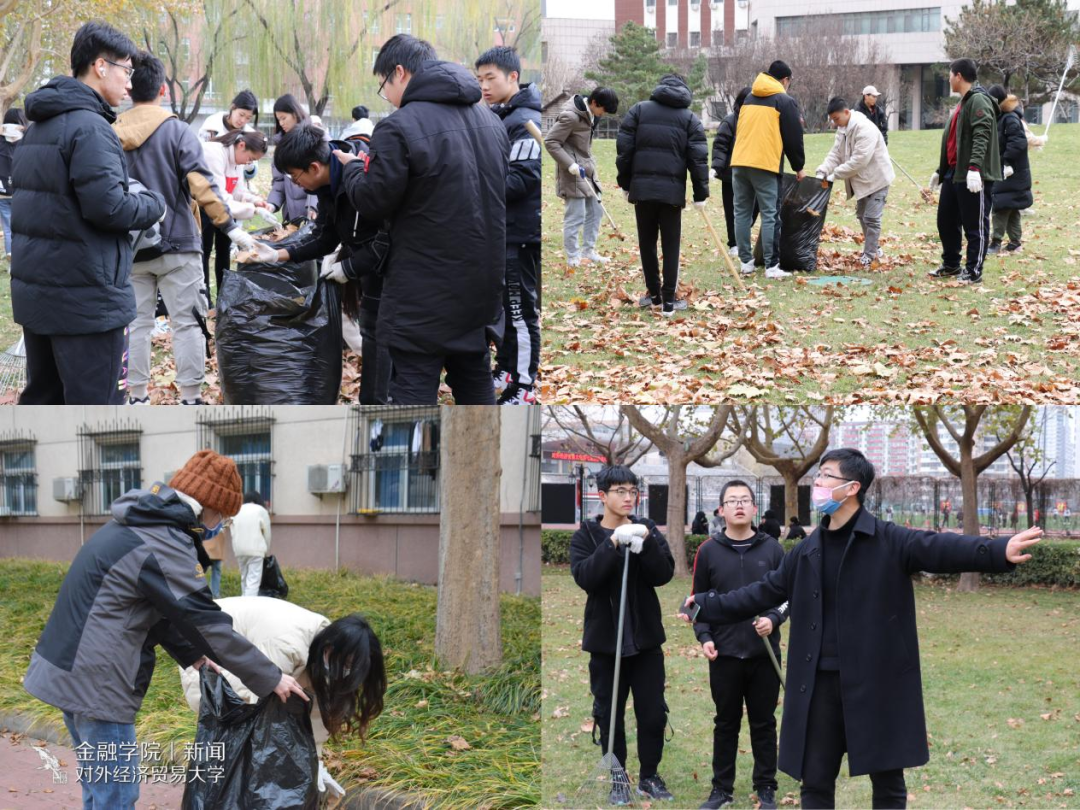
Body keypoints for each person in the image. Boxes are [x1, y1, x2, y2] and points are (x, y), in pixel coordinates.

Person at [681, 448, 1042, 809]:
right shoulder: (806, 551)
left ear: (852, 487)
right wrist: (703, 606)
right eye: (818, 475)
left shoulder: (889, 540)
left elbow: (940, 548)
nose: (818, 483)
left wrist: (998, 550)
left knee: (888, 785)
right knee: (815, 784)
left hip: (876, 683)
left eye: (826, 476)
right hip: (819, 685)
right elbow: (759, 593)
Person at [23, 449, 308, 810]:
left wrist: (194, 656)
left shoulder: (141, 522)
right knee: (116, 794)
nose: (221, 525)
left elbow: (154, 607)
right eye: (223, 517)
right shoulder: (163, 539)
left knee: (100, 786)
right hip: (97, 683)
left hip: (70, 670)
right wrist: (271, 677)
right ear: (208, 506)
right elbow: (206, 621)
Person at [336, 34, 508, 405]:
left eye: (384, 86)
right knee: (475, 381)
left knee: (412, 393)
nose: (387, 96)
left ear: (399, 72)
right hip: (481, 285)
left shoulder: (399, 126)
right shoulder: (490, 121)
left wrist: (352, 170)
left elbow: (373, 200)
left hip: (423, 292)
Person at [11, 21, 165, 405]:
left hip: (41, 296)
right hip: (87, 302)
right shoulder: (91, 128)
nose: (130, 84)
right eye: (126, 71)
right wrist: (154, 204)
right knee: (96, 412)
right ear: (100, 66)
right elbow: (109, 208)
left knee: (45, 402)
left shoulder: (38, 128)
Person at [115, 52, 255, 406]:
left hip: (130, 248)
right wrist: (230, 227)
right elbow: (202, 186)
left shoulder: (110, 133)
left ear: (129, 89)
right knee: (188, 322)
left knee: (137, 325)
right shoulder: (178, 132)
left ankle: (137, 398)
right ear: (163, 89)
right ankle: (191, 399)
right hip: (179, 244)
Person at [180, 598, 387, 801]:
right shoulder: (287, 646)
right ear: (329, 649)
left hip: (251, 647)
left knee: (291, 701)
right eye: (347, 665)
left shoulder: (327, 645)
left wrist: (315, 764)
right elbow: (256, 715)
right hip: (204, 644)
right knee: (237, 718)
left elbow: (314, 715)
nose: (347, 673)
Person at [570, 465, 677, 804]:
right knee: (609, 715)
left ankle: (649, 776)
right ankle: (618, 780)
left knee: (653, 713)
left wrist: (646, 542)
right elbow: (586, 578)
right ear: (602, 496)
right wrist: (613, 543)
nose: (629, 497)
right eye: (620, 491)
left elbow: (664, 574)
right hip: (606, 645)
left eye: (633, 491)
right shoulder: (586, 536)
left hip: (645, 642)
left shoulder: (647, 529)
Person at [268, 122, 392, 403]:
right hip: (368, 267)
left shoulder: (363, 176)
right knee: (371, 332)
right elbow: (325, 238)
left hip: (391, 272)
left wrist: (349, 267)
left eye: (295, 176)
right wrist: (277, 254)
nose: (295, 183)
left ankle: (379, 404)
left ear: (313, 167)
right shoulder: (327, 186)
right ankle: (373, 401)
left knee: (380, 336)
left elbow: (387, 238)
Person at [693, 482, 787, 810]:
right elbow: (697, 603)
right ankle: (721, 790)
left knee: (764, 723)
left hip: (764, 654)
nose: (739, 505)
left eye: (745, 500)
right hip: (725, 654)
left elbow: (788, 596)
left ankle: (766, 786)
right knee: (726, 723)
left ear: (754, 508)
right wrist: (705, 637)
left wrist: (774, 618)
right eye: (732, 501)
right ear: (721, 510)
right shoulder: (708, 551)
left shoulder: (773, 549)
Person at [476, 46, 541, 406]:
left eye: (490, 78)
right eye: (480, 79)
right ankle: (507, 368)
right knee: (507, 308)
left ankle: (525, 385)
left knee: (520, 312)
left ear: (513, 76)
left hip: (520, 233)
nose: (484, 86)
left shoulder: (525, 120)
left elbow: (522, 180)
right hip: (503, 232)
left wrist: (474, 183)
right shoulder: (502, 115)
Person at [616, 73, 709, 316]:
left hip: (643, 190)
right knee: (671, 245)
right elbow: (698, 160)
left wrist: (625, 183)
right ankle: (668, 301)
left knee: (647, 243)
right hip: (671, 193)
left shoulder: (638, 111)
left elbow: (624, 151)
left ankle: (654, 295)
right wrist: (700, 194)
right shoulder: (690, 118)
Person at [730, 60, 805, 280]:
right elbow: (793, 136)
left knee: (741, 212)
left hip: (739, 162)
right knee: (770, 214)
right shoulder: (784, 101)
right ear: (785, 80)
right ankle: (772, 266)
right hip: (764, 165)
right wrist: (798, 166)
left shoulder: (749, 98)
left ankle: (746, 262)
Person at [928, 57, 1001, 285]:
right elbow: (955, 142)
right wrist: (941, 171)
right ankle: (951, 264)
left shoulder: (978, 100)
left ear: (958, 76)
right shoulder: (963, 103)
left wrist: (974, 168)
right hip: (954, 173)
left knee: (974, 224)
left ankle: (973, 271)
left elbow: (982, 134)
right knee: (946, 221)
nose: (948, 79)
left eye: (950, 75)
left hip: (972, 174)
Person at [545, 86, 619, 268]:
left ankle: (588, 252)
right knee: (576, 215)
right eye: (603, 110)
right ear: (594, 102)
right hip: (572, 170)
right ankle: (573, 257)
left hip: (588, 170)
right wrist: (570, 164)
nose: (603, 114)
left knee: (596, 210)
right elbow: (551, 142)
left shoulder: (592, 114)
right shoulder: (570, 116)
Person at [815, 96, 895, 267]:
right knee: (862, 215)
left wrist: (835, 174)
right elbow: (836, 153)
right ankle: (875, 247)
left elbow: (860, 160)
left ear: (846, 112)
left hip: (878, 179)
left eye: (836, 118)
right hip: (862, 180)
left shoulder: (864, 128)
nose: (835, 123)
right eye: (832, 119)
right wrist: (823, 170)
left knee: (871, 218)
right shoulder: (843, 128)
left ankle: (870, 254)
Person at [200, 129, 269, 306]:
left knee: (224, 250)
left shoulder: (238, 160)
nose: (248, 163)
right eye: (250, 158)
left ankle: (224, 299)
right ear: (241, 145)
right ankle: (204, 301)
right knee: (203, 252)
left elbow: (237, 191)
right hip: (203, 207)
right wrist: (253, 210)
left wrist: (255, 200)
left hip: (224, 208)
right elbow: (219, 197)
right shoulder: (213, 153)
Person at [711, 86, 758, 258]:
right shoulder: (730, 121)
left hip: (753, 172)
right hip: (731, 175)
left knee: (755, 207)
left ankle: (741, 234)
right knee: (732, 210)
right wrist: (716, 167)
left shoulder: (757, 121)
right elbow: (720, 146)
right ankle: (734, 243)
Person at [986, 85, 1032, 255]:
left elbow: (1018, 142)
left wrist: (1006, 162)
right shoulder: (1002, 117)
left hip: (1011, 171)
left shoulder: (1009, 118)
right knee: (1010, 205)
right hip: (1008, 170)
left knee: (1000, 205)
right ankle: (1015, 243)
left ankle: (996, 242)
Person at [269, 94, 320, 222]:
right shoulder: (280, 145)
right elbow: (279, 181)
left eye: (283, 118)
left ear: (295, 113)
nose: (281, 123)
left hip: (314, 215)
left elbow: (320, 178)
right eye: (278, 119)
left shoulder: (315, 137)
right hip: (291, 216)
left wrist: (313, 206)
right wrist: (271, 204)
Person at [231, 490, 272, 597]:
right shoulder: (261, 511)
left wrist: (236, 548)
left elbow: (232, 531)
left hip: (239, 550)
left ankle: (243, 601)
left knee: (244, 579)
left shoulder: (237, 511)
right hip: (256, 550)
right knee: (253, 581)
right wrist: (266, 550)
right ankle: (249, 604)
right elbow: (267, 533)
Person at [0, 106, 27, 261]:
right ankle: (23, 255)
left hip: (2, 191)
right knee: (24, 226)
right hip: (21, 190)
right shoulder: (27, 139)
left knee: (7, 227)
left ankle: (11, 254)